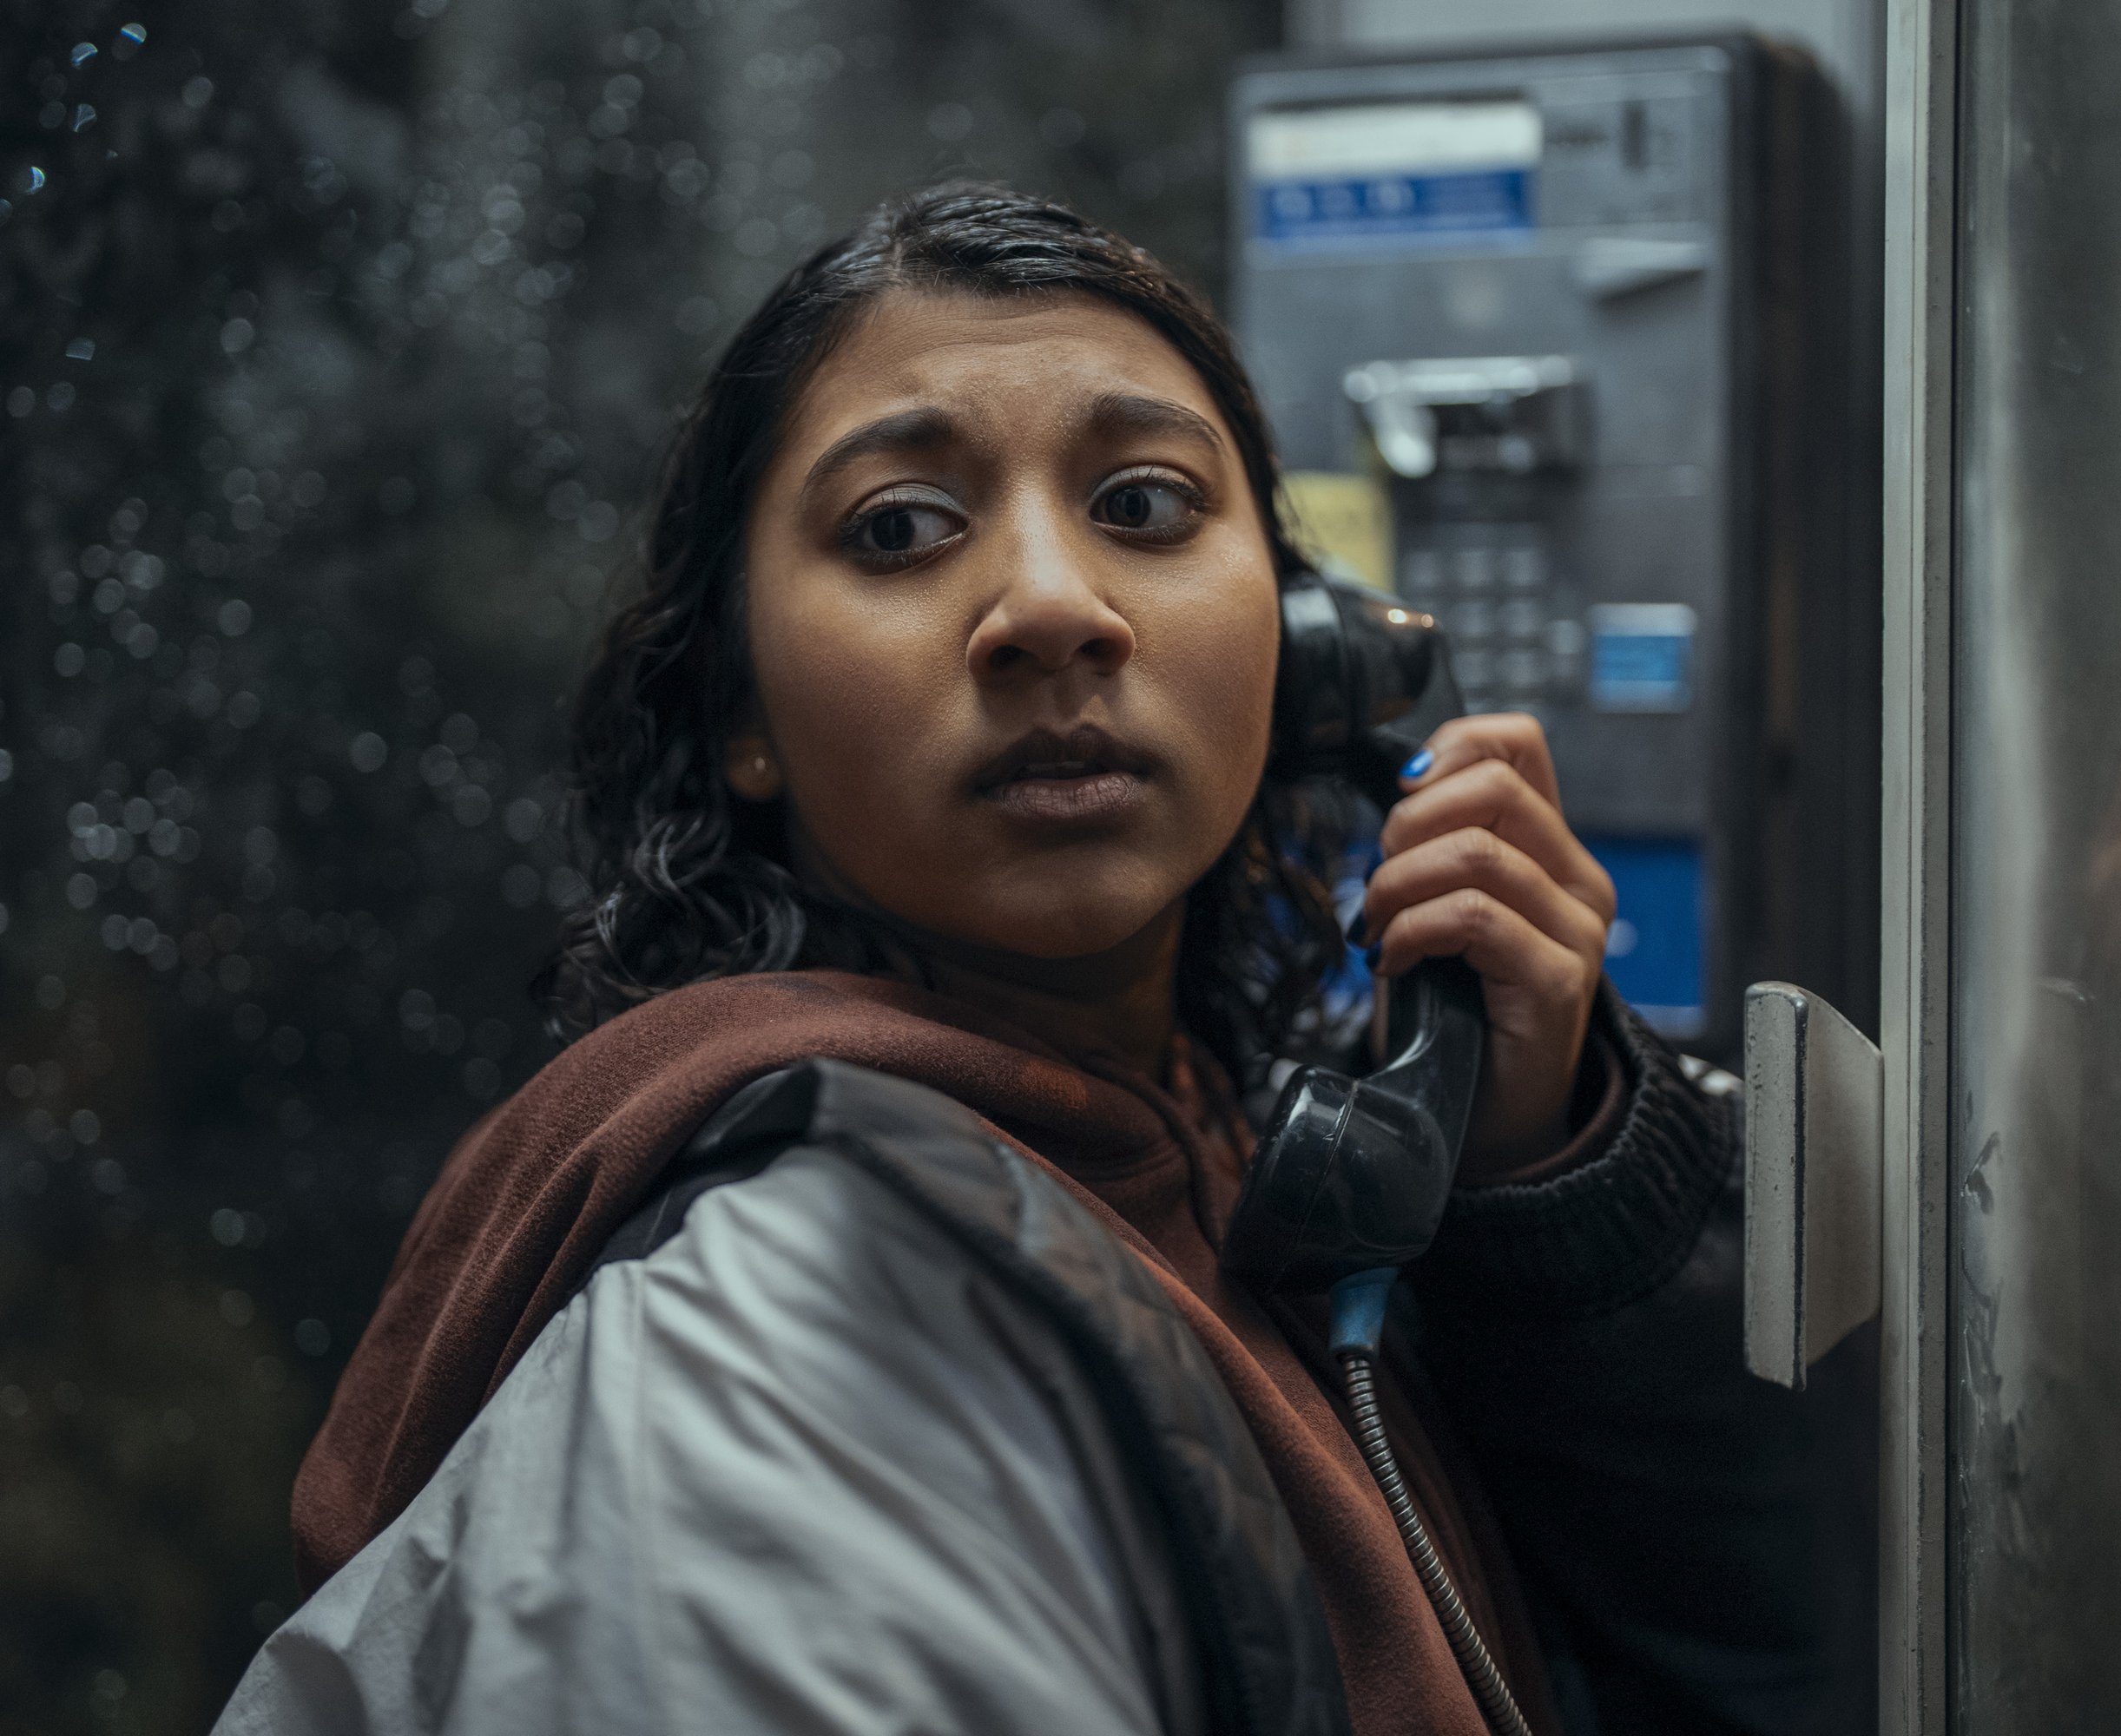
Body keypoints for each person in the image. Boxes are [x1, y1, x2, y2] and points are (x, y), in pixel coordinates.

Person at [214, 183, 1871, 1736]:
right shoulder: (785, 1330)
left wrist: (1543, 1179)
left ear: (1302, 660)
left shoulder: (1212, 1173)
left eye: (1144, 504)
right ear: (737, 712)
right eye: (900, 528)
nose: (1054, 607)